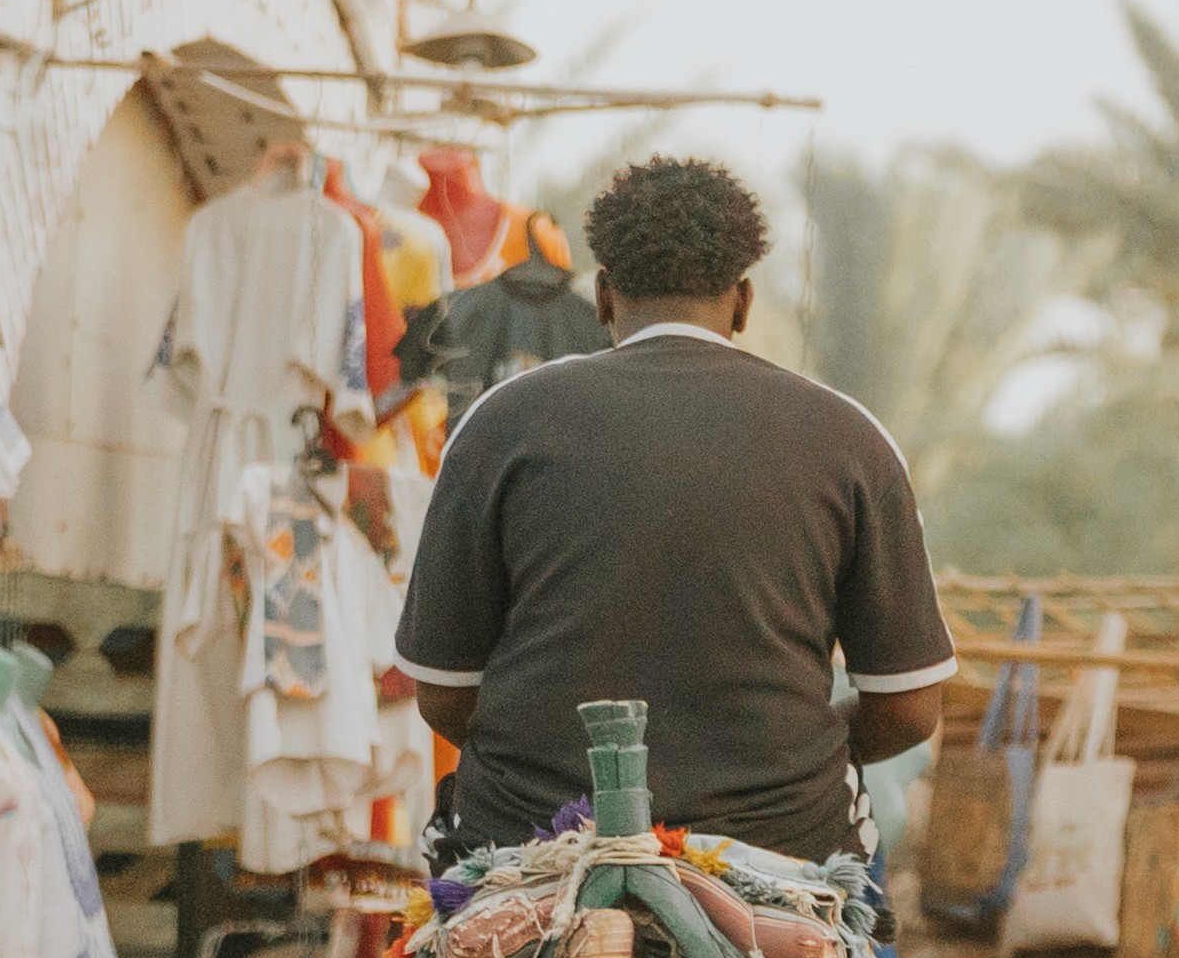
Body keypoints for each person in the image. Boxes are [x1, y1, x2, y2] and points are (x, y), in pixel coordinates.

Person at [384, 152, 958, 866]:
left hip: (532, 844)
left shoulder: (500, 426)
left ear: (601, 297)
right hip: (779, 852)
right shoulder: (851, 441)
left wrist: (553, 754)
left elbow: (442, 693)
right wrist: (785, 758)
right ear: (743, 302)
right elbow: (907, 712)